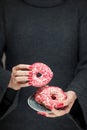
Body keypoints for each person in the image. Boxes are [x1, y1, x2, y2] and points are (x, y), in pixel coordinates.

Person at [0, 0, 87, 130]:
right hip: (14, 121)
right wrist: (9, 83)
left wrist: (75, 93)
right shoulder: (6, 5)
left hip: (69, 119)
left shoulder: (81, 5)